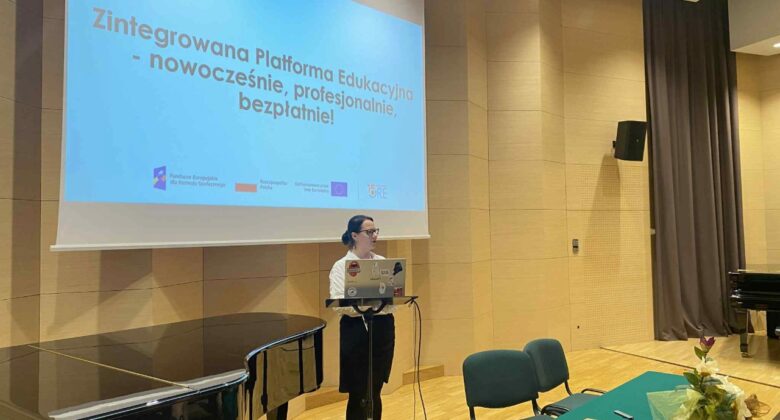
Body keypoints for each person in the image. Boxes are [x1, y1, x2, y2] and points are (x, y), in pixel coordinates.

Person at [329, 215, 395, 420]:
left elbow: (391, 302)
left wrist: (374, 302)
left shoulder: (382, 263)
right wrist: (370, 304)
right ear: (355, 235)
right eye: (369, 232)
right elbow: (340, 304)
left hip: (382, 329)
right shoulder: (341, 266)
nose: (374, 235)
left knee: (375, 390)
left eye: (375, 231)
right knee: (358, 392)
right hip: (355, 332)